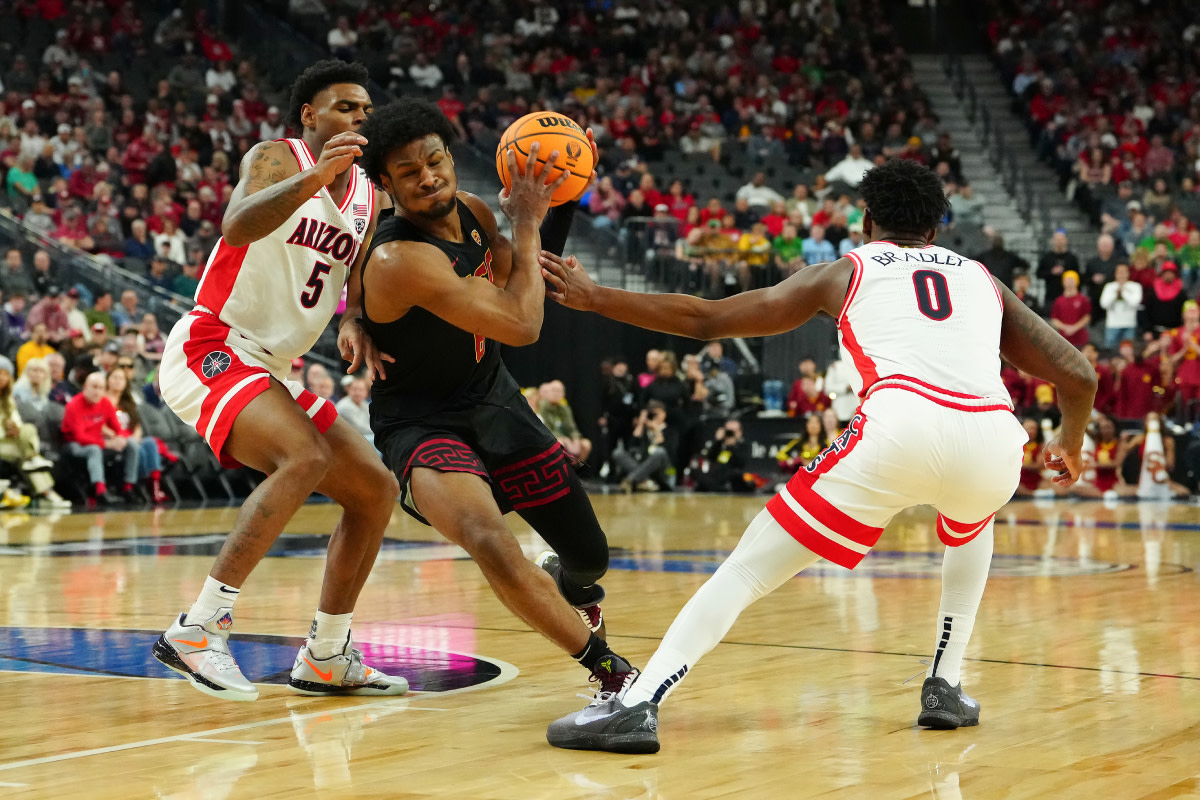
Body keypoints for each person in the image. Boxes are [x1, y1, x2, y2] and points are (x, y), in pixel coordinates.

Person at [540, 158, 1096, 752]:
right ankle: (947, 684)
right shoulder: (983, 280)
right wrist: (1069, 439)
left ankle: (637, 702)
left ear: (866, 220)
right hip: (992, 441)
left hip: (899, 428)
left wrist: (596, 297)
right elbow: (1077, 372)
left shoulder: (844, 271)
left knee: (750, 566)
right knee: (971, 521)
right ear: (937, 228)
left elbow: (707, 320)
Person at [354, 97, 640, 697]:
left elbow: (527, 276)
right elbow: (523, 323)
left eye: (435, 161)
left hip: (496, 401)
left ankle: (575, 587)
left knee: (589, 556)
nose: (428, 177)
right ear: (385, 184)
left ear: (453, 158)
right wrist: (531, 220)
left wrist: (562, 192)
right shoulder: (399, 257)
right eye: (409, 172)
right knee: (489, 540)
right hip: (421, 422)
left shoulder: (477, 212)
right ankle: (613, 674)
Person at [151, 60, 408, 702]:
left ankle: (326, 653)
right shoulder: (278, 156)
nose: (359, 117)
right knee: (305, 456)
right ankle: (199, 628)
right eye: (345, 106)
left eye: (366, 110)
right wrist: (314, 176)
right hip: (213, 344)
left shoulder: (370, 197)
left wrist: (355, 321)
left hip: (270, 367)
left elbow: (350, 285)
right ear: (309, 118)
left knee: (375, 490)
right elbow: (236, 225)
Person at [0, 356, 70, 508]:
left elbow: (16, 420)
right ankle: (47, 492)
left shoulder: (8, 399)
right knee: (28, 457)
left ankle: (35, 467)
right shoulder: (18, 396)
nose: (2, 377)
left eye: (5, 374)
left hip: (12, 442)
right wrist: (4, 432)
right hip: (4, 441)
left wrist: (15, 428)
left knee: (27, 432)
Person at [61, 371, 139, 504]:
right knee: (94, 450)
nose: (97, 392)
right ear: (85, 386)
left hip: (97, 441)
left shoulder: (105, 403)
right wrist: (108, 444)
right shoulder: (73, 405)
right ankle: (100, 490)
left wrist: (120, 438)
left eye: (101, 388)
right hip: (73, 444)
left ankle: (128, 487)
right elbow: (80, 437)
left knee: (131, 444)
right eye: (94, 387)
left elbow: (117, 428)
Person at [538, 380, 592, 464]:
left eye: (559, 391)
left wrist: (575, 439)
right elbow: (547, 429)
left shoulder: (564, 409)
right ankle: (561, 470)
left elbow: (572, 428)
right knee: (560, 443)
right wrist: (565, 439)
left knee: (586, 444)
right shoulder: (542, 407)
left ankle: (573, 469)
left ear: (563, 393)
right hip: (551, 439)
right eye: (554, 390)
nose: (556, 393)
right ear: (548, 392)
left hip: (566, 440)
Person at [1099, 264, 1141, 348]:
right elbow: (1103, 304)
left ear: (1128, 274)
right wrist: (1115, 293)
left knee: (1127, 351)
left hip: (1129, 324)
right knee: (1110, 352)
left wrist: (1123, 292)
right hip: (1112, 325)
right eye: (1119, 272)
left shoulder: (1135, 286)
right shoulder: (1109, 286)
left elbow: (1135, 303)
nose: (1121, 274)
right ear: (1115, 274)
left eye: (1124, 272)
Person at [1049, 271, 1091, 348]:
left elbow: (1087, 317)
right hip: (1063, 338)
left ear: (1077, 281)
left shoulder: (1083, 299)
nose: (1069, 282)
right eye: (1067, 280)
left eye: (1072, 280)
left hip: (1080, 338)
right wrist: (1065, 328)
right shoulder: (1059, 301)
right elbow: (1054, 319)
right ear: (1063, 282)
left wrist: (1074, 328)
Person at [334, 376, 373, 446]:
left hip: (360, 438)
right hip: (345, 440)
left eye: (361, 390)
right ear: (349, 390)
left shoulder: (365, 404)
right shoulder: (344, 406)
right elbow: (359, 429)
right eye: (354, 389)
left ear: (366, 393)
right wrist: (378, 430)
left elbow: (371, 422)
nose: (357, 393)